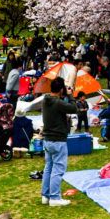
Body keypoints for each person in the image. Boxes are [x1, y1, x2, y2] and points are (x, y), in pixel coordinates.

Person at [40, 77, 76, 206]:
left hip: (48, 139)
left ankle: (45, 196)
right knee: (58, 169)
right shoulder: (58, 103)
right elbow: (73, 108)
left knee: (48, 168)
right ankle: (54, 198)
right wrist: (71, 95)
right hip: (58, 140)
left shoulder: (46, 100)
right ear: (61, 89)